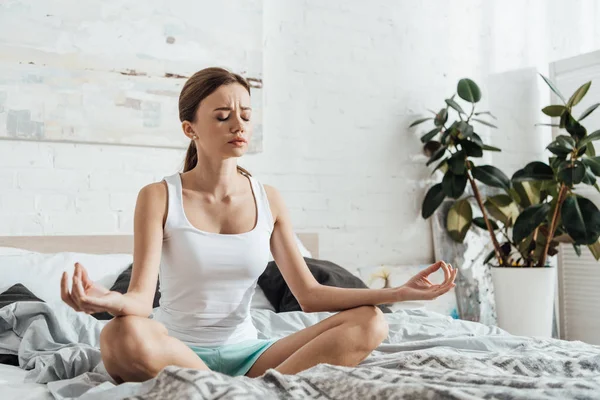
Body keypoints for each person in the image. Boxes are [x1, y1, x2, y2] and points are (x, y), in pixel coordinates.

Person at [60, 67, 457, 384]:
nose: (239, 125)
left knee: (370, 320)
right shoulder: (159, 196)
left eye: (246, 115)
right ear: (190, 128)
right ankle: (245, 393)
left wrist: (400, 293)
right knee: (118, 335)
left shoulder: (268, 198)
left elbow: (309, 295)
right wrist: (106, 300)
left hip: (251, 355)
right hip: (175, 352)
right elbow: (141, 301)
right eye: (223, 116)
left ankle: (232, 392)